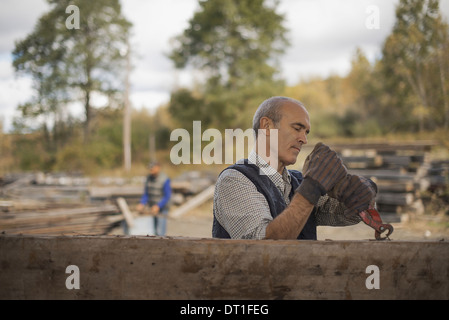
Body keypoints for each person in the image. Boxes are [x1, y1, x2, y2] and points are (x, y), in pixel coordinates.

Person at [213, 96, 377, 240]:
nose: (304, 139)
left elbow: (349, 215)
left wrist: (357, 188)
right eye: (297, 128)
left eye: (306, 132)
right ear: (267, 126)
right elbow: (264, 245)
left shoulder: (298, 182)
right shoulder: (234, 180)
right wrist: (311, 189)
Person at [137, 161, 172, 236]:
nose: (150, 170)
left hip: (162, 209)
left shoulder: (165, 179)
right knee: (154, 231)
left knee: (160, 232)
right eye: (150, 169)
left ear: (158, 168)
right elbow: (146, 193)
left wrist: (158, 206)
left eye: (152, 168)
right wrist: (142, 203)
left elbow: (167, 196)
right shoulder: (148, 178)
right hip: (152, 207)